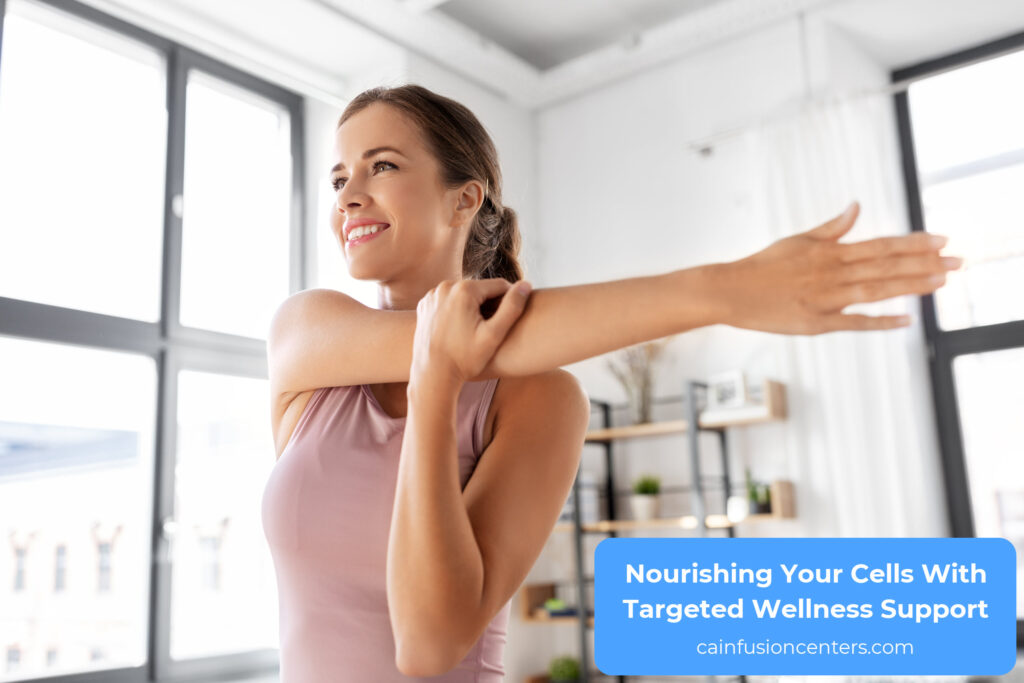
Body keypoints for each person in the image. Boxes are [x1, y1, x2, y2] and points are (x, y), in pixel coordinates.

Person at [260, 83, 961, 682]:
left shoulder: (539, 398)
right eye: (339, 179)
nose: (349, 196)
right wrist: (726, 289)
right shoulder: (305, 334)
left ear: (463, 199)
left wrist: (436, 386)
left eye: (381, 165)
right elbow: (463, 338)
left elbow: (429, 647)